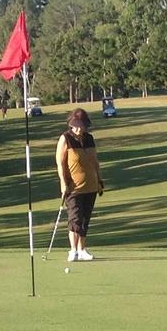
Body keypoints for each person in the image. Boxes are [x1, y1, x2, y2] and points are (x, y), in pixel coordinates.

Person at [56, 108, 104, 262]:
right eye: (76, 125)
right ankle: (73, 250)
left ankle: (82, 250)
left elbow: (95, 161)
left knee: (84, 220)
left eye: (81, 126)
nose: (78, 129)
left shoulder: (89, 138)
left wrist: (99, 180)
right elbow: (60, 163)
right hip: (73, 187)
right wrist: (63, 183)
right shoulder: (66, 139)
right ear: (71, 124)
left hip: (90, 185)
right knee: (75, 218)